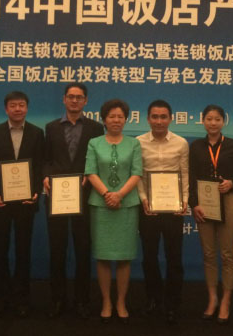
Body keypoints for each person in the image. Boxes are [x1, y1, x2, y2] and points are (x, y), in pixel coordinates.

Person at [42, 83, 104, 319]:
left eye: (79, 97)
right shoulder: (51, 127)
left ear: (86, 101)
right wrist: (45, 176)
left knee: (82, 249)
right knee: (57, 249)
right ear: (64, 99)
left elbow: (98, 158)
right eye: (71, 97)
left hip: (85, 195)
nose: (75, 101)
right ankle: (57, 299)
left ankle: (82, 300)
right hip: (57, 195)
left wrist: (90, 175)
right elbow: (45, 159)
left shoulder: (96, 128)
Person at [0, 91, 44, 318]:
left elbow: (39, 166)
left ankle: (22, 298)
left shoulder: (37, 133)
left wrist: (36, 191)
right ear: (6, 108)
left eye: (21, 105)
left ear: (27, 108)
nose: (18, 109)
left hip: (26, 202)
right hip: (0, 202)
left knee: (23, 251)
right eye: (13, 105)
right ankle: (0, 298)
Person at [85, 99, 142, 323]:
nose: (116, 120)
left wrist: (119, 195)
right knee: (103, 256)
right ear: (104, 119)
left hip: (127, 205)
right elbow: (90, 172)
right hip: (101, 205)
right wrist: (108, 194)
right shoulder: (94, 143)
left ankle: (121, 301)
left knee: (124, 257)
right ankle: (106, 301)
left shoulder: (134, 143)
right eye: (112, 116)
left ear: (126, 119)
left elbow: (137, 173)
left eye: (120, 116)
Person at [189, 104, 233, 325]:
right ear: (203, 121)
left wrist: (232, 182)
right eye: (209, 119)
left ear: (223, 121)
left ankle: (226, 300)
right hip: (204, 203)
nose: (213, 123)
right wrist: (194, 204)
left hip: (227, 199)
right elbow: (191, 176)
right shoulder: (196, 146)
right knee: (209, 253)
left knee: (227, 253)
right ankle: (212, 298)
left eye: (217, 119)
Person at [136, 100, 189, 325]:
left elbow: (185, 173)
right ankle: (153, 299)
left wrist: (184, 201)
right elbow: (137, 174)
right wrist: (144, 200)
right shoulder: (138, 143)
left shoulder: (181, 143)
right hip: (148, 209)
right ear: (148, 119)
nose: (159, 121)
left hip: (173, 209)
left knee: (174, 257)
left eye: (163, 117)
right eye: (155, 117)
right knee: (149, 257)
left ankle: (173, 303)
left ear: (171, 119)